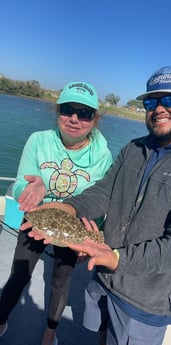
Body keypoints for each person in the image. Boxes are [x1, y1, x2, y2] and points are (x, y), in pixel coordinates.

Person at [23, 66, 171, 345]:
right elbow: (104, 192)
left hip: (146, 297)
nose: (158, 108)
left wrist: (117, 258)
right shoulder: (133, 148)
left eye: (169, 100)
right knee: (101, 335)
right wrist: (70, 207)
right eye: (151, 102)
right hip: (104, 276)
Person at [0, 81, 113, 345]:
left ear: (95, 119)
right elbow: (17, 185)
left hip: (72, 230)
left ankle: (50, 331)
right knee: (19, 275)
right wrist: (28, 189)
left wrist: (90, 240)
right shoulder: (38, 141)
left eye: (84, 113)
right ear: (58, 111)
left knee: (60, 282)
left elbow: (101, 201)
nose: (74, 118)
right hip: (35, 220)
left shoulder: (104, 157)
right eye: (67, 109)